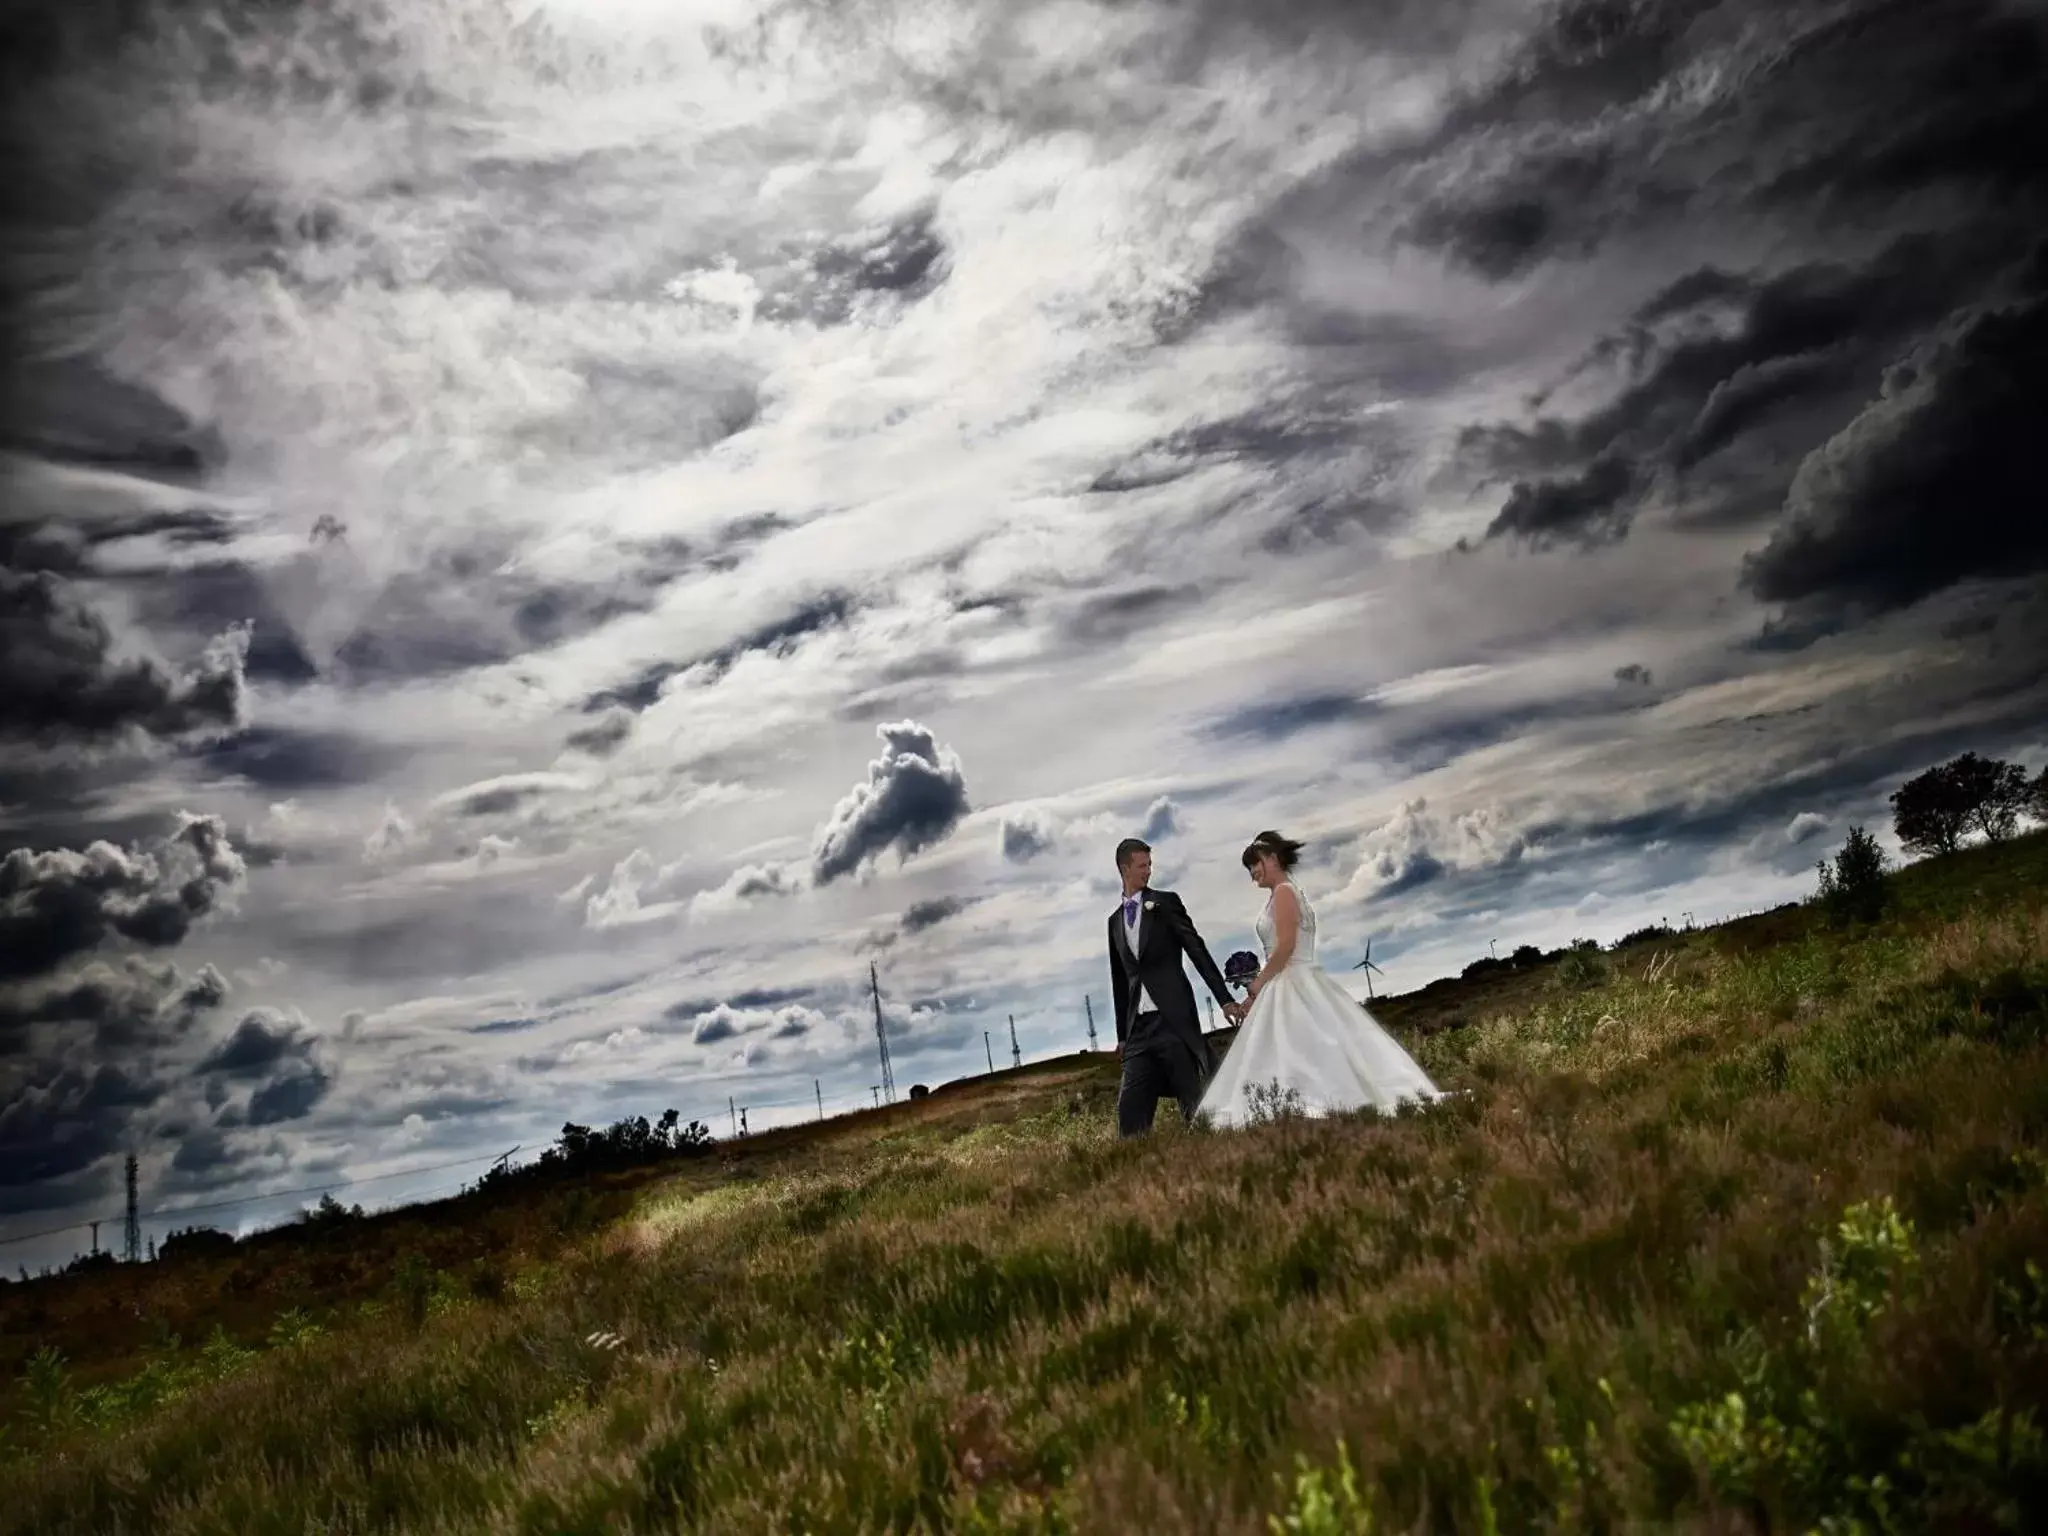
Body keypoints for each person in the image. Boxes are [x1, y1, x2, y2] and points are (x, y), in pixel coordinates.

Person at [1197, 830, 1444, 1127]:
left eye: (1256, 863)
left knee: (1296, 1047)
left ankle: (1307, 1104)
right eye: (1249, 866)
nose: (1253, 871)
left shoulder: (1285, 893)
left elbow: (1286, 946)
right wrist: (1254, 992)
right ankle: (1296, 1103)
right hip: (1292, 979)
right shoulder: (1285, 892)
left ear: (1273, 858)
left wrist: (1258, 984)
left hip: (1291, 980)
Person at [1106, 837, 1244, 1137]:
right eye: (1142, 866)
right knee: (1130, 1117)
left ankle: (1215, 1159)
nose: (1148, 872)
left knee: (1195, 1109)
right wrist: (1121, 1036)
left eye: (1150, 865)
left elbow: (1197, 951)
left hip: (1172, 1023)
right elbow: (1119, 982)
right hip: (1138, 1032)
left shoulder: (1166, 903)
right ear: (1124, 868)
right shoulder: (1114, 922)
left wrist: (1224, 999)